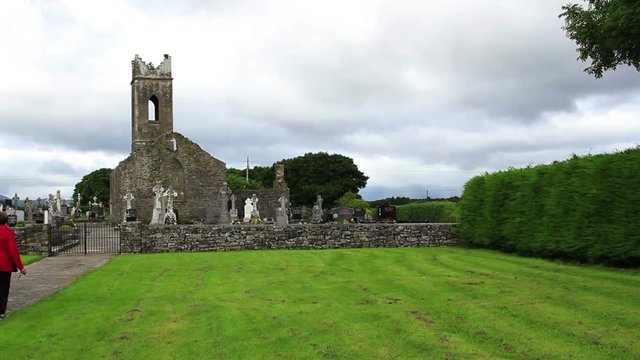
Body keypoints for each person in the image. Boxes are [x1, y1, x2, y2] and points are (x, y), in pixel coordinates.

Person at [0, 211, 27, 319]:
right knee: (3, 288)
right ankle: (1, 312)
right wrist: (21, 267)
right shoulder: (8, 232)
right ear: (6, 220)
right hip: (4, 264)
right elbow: (13, 251)